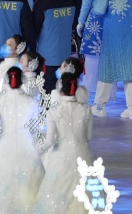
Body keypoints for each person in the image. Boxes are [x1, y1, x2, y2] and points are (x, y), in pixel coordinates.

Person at [0, 67, 45, 213]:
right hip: (26, 144)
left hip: (6, 143)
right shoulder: (31, 101)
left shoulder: (0, 100)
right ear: (22, 80)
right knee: (28, 179)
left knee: (5, 178)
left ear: (6, 81)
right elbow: (35, 127)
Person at [34, 72, 93, 214]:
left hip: (61, 157)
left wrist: (35, 151)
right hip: (83, 155)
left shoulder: (53, 111)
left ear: (60, 89)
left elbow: (50, 141)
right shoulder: (86, 109)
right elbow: (88, 137)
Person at [89, 0, 132, 118]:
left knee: (107, 67)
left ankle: (100, 106)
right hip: (130, 30)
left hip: (112, 32)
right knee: (129, 68)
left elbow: (98, 10)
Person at [31, 0, 75, 91]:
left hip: (47, 55)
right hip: (65, 53)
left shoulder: (41, 3)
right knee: (63, 88)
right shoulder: (69, 0)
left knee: (47, 89)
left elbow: (35, 28)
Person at [78, 0, 111, 106]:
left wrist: (80, 22)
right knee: (109, 57)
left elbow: (86, 3)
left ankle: (89, 91)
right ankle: (110, 94)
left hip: (94, 22)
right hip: (112, 21)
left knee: (92, 58)